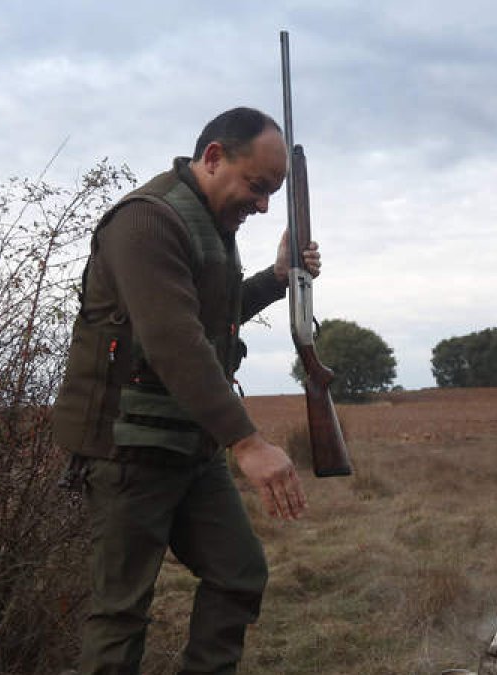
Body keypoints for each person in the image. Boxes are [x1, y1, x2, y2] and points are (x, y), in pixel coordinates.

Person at [52, 106, 318, 674]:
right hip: (128, 447)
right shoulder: (147, 222)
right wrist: (247, 444)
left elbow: (210, 322)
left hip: (190, 446)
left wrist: (274, 280)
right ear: (215, 157)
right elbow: (173, 339)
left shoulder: (214, 226)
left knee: (239, 574)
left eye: (273, 192)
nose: (264, 204)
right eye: (257, 186)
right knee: (122, 610)